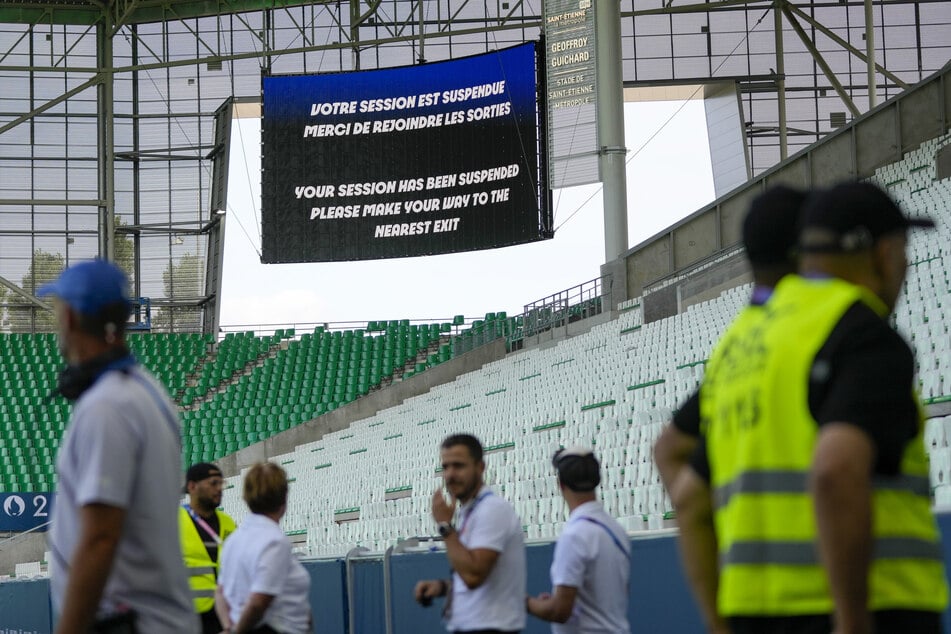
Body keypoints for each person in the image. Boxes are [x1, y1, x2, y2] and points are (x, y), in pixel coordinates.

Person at [679, 181, 948, 633]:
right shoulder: (860, 330)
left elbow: (689, 498)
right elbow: (835, 470)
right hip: (876, 607)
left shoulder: (741, 345)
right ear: (882, 254)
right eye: (903, 251)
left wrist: (718, 622)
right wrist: (853, 619)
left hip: (752, 614)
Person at [653, 184, 805, 633]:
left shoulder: (733, 349)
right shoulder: (823, 332)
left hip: (745, 598)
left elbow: (669, 455)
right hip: (819, 600)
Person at [42, 259, 197, 633]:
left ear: (73, 319)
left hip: (129, 623)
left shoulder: (107, 406)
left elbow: (100, 538)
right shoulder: (143, 390)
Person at [414, 434, 527, 634]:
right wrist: (441, 587)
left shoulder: (492, 509)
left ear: (480, 467)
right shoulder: (472, 511)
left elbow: (474, 576)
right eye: (445, 467)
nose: (449, 474)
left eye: (458, 466)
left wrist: (445, 527)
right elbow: (481, 576)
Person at [526, 447, 630, 633]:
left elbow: (560, 611)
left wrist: (524, 602)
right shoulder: (617, 529)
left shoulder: (574, 535)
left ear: (560, 484)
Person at [217, 462, 311, 634]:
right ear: (283, 498)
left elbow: (220, 592)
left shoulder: (234, 540)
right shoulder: (274, 541)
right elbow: (259, 602)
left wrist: (228, 627)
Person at [181, 462, 238, 634]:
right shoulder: (173, 521)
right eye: (213, 483)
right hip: (188, 616)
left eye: (221, 483)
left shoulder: (228, 522)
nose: (219, 488)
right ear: (192, 486)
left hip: (224, 616)